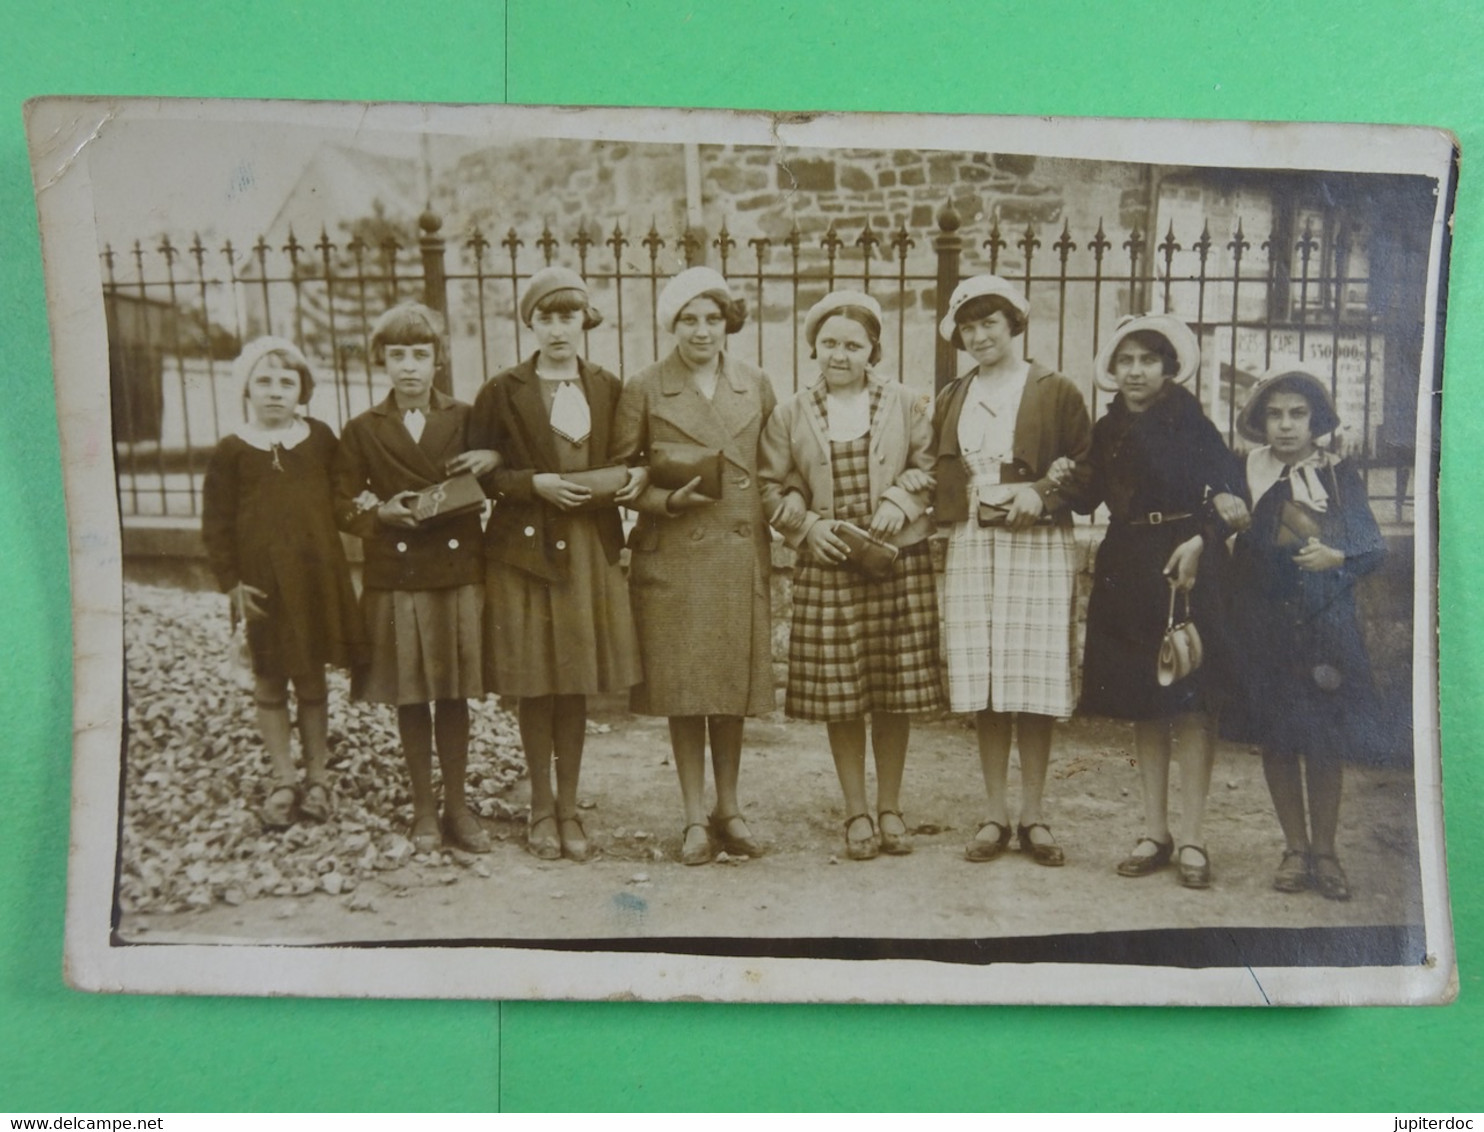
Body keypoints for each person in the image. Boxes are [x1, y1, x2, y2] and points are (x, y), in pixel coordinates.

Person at [470, 267, 645, 862]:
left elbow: (630, 457)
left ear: (584, 321)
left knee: (574, 684)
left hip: (588, 550)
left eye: (567, 317)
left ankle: (570, 808)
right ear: (531, 324)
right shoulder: (503, 389)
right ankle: (540, 807)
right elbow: (483, 473)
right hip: (525, 552)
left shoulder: (606, 386)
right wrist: (535, 483)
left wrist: (628, 479)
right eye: (545, 318)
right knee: (535, 683)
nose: (557, 329)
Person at [759, 291, 941, 859]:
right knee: (844, 694)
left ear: (873, 350)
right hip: (831, 563)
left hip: (896, 561)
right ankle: (856, 810)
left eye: (853, 345)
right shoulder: (790, 413)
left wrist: (900, 503)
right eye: (830, 343)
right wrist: (806, 528)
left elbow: (931, 467)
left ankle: (890, 808)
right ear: (814, 346)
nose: (840, 354)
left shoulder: (909, 404)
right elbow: (770, 485)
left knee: (892, 691)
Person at [1074, 313, 1249, 888]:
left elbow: (1232, 493)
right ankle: (1155, 831)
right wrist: (1057, 475)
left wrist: (1202, 538)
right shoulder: (1106, 430)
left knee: (1192, 701)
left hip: (1187, 563)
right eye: (1125, 361)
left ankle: (1194, 837)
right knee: (1145, 700)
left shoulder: (1191, 422)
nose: (1135, 371)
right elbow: (1085, 497)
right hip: (1128, 562)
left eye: (1147, 360)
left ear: (1169, 368)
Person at [612, 266, 777, 865]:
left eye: (712, 318)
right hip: (676, 556)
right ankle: (691, 817)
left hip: (736, 553)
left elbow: (773, 467)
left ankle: (728, 808)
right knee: (685, 689)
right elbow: (620, 479)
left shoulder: (755, 383)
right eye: (689, 319)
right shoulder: (646, 386)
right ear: (672, 324)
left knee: (729, 688)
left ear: (727, 322)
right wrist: (664, 501)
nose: (702, 330)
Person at [932, 275, 1092, 867]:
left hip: (1037, 541)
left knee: (1030, 676)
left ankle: (1035, 814)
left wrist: (1043, 496)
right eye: (968, 327)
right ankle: (994, 814)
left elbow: (1085, 464)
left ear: (1014, 325)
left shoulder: (1055, 390)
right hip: (974, 540)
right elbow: (938, 469)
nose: (978, 336)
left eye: (989, 323)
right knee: (987, 679)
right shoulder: (954, 394)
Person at [334, 302, 498, 855]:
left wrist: (491, 458)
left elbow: (496, 478)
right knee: (411, 695)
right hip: (397, 575)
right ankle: (423, 810)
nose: (409, 367)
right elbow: (339, 501)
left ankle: (458, 807)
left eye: (420, 354)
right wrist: (378, 514)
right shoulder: (361, 429)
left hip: (455, 572)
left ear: (438, 361)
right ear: (382, 360)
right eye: (398, 355)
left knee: (453, 694)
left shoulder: (467, 416)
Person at [1221, 369, 1388, 900]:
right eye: (1275, 414)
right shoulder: (1247, 469)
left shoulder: (1339, 474)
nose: (1286, 425)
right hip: (1266, 625)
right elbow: (1224, 532)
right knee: (1277, 738)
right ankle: (1294, 849)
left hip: (1324, 627)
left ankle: (1326, 852)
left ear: (1315, 421)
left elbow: (1372, 544)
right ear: (1260, 421)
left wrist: (1337, 555)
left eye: (1297, 414)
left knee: (1322, 741)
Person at [201, 337, 369, 829]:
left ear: (303, 390)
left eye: (287, 382)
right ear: (247, 389)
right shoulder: (232, 451)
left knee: (312, 677)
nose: (275, 392)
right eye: (265, 381)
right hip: (260, 588)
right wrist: (231, 583)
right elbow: (216, 524)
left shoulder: (318, 439)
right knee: (270, 677)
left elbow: (345, 493)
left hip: (315, 580)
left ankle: (318, 779)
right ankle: (283, 779)